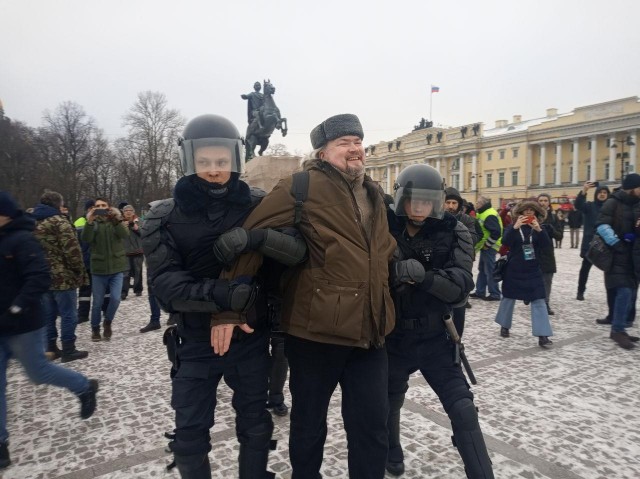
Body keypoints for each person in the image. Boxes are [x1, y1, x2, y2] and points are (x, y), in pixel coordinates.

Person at [212, 113, 397, 478]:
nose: (355, 149)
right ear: (323, 152)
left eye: (358, 141)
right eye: (344, 143)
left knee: (373, 428)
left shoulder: (374, 192)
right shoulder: (300, 186)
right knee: (309, 426)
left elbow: (384, 252)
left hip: (370, 332)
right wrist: (227, 310)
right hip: (315, 334)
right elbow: (250, 239)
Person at [142, 114, 305, 478]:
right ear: (189, 162)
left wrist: (258, 241)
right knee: (188, 435)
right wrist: (228, 297)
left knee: (256, 422)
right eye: (204, 163)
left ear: (234, 159)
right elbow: (167, 286)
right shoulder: (164, 216)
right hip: (195, 339)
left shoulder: (260, 205)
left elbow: (294, 255)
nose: (214, 171)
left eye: (221, 162)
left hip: (250, 335)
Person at [385, 165, 493, 478]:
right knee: (389, 402)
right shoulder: (385, 227)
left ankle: (481, 472)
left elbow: (461, 286)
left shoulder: (454, 229)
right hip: (393, 338)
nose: (419, 207)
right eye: (413, 200)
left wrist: (425, 276)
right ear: (401, 198)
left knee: (462, 407)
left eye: (427, 201)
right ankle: (393, 451)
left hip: (436, 337)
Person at [0, 191, 98, 470]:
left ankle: (82, 385)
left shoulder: (23, 237)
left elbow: (42, 273)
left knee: (38, 372)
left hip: (22, 322)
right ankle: (1, 442)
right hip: (10, 320)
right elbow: (72, 250)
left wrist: (17, 307)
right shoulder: (55, 223)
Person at [32, 190, 90, 362]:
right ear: (58, 204)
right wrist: (79, 270)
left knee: (48, 314)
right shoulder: (59, 222)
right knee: (68, 313)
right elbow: (72, 250)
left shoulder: (33, 222)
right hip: (62, 276)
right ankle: (68, 348)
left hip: (41, 276)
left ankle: (50, 347)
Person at [494, 200, 554, 347]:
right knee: (508, 299)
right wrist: (515, 227)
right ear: (520, 213)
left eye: (531, 210)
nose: (528, 212)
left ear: (536, 213)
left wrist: (539, 229)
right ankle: (504, 325)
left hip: (533, 270)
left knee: (539, 300)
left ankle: (543, 336)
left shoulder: (540, 228)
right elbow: (505, 242)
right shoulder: (512, 227)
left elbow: (547, 247)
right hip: (514, 270)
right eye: (525, 210)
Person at [595, 174, 640, 349]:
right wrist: (617, 242)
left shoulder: (636, 203)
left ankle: (621, 328)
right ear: (632, 187)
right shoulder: (613, 203)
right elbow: (601, 225)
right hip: (617, 255)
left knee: (629, 293)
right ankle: (617, 330)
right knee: (625, 292)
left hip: (633, 256)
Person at [82, 198, 129, 342]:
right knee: (97, 302)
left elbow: (125, 235)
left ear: (109, 207)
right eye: (98, 206)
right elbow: (86, 239)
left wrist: (116, 219)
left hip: (116, 267)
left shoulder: (115, 220)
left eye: (103, 205)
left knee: (115, 298)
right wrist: (89, 221)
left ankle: (107, 322)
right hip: (99, 269)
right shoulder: (93, 223)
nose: (101, 208)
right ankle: (95, 328)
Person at [444, 187, 482, 334]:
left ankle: (457, 341)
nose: (451, 206)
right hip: (443, 266)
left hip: (462, 268)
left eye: (454, 203)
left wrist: (456, 229)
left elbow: (473, 238)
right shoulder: (435, 218)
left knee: (459, 307)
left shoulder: (467, 220)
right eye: (448, 202)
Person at [575, 183, 610, 301]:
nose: (602, 194)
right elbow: (578, 204)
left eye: (605, 193)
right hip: (591, 243)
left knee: (609, 270)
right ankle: (580, 291)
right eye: (600, 192)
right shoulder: (590, 206)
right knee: (585, 269)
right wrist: (584, 190)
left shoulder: (611, 207)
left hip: (607, 243)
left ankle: (611, 294)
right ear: (596, 194)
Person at [470, 196, 502, 301]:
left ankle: (495, 293)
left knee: (489, 270)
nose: (476, 204)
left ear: (483, 204)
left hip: (490, 246)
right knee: (483, 269)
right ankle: (480, 291)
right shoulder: (484, 212)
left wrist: (488, 245)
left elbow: (496, 232)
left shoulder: (489, 214)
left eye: (478, 202)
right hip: (486, 246)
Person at [536, 193, 563, 315]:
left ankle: (545, 303)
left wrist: (551, 229)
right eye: (540, 200)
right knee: (533, 277)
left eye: (545, 200)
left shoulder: (553, 217)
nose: (542, 203)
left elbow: (559, 236)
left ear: (549, 202)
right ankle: (531, 296)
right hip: (533, 251)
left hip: (547, 252)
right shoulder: (532, 215)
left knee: (547, 279)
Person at [120, 205, 144, 300]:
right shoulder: (119, 222)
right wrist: (122, 227)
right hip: (125, 252)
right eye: (126, 211)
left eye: (130, 210)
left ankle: (138, 289)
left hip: (138, 251)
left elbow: (143, 233)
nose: (128, 212)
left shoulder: (139, 221)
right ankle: (123, 292)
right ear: (123, 212)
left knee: (138, 272)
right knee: (125, 273)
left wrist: (135, 227)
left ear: (133, 212)